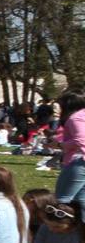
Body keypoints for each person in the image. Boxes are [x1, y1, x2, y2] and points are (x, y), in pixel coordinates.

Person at [52, 91, 85, 221]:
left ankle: (57, 232)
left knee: (62, 199)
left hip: (78, 161)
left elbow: (81, 140)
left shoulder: (75, 118)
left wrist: (60, 145)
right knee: (81, 201)